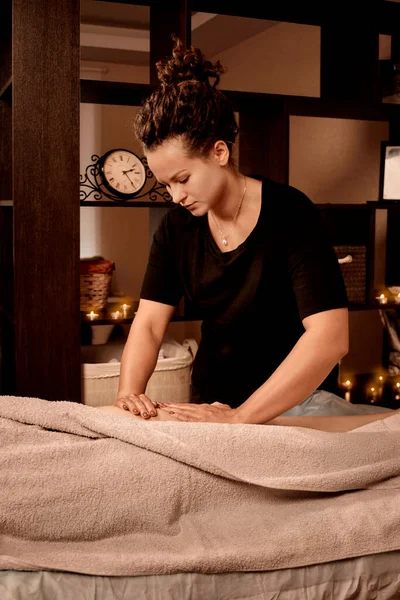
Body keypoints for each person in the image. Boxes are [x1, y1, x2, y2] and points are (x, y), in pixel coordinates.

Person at [113, 36, 350, 424]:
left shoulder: (291, 213)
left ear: (219, 153)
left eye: (183, 179)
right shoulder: (176, 229)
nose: (175, 196)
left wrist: (241, 418)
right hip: (213, 401)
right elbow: (150, 323)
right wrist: (128, 395)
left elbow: (330, 338)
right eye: (166, 184)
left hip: (298, 405)